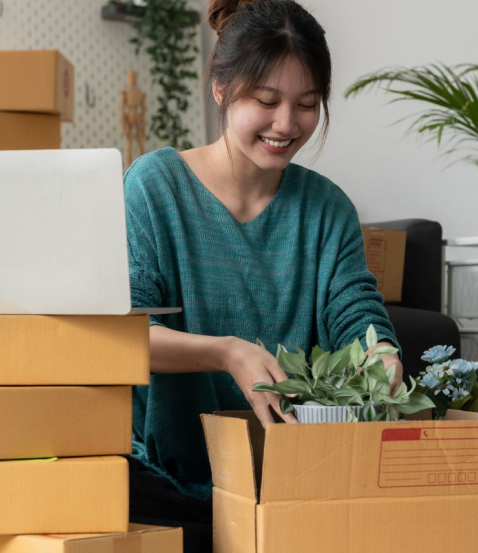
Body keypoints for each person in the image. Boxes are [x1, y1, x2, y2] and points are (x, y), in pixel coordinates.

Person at [123, 0, 400, 550]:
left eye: (306, 105)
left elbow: (355, 310)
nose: (285, 125)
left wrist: (382, 355)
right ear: (221, 89)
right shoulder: (155, 187)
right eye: (266, 101)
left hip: (288, 478)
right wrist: (228, 351)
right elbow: (126, 335)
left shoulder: (327, 209)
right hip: (165, 480)